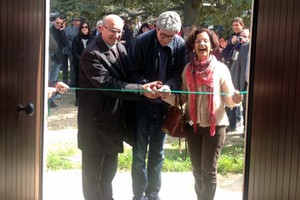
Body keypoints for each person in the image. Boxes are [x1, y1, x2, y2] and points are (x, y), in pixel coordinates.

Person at [77, 14, 159, 200]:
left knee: (108, 174)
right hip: (95, 124)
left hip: (114, 122)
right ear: (101, 29)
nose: (116, 35)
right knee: (93, 176)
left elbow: (130, 74)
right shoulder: (91, 54)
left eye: (119, 31)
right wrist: (141, 90)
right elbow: (108, 84)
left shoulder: (120, 47)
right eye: (112, 31)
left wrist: (148, 84)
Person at [158, 27, 243, 200]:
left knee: (208, 171)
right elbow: (181, 99)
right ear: (193, 46)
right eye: (198, 41)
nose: (202, 44)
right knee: (197, 171)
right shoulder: (187, 70)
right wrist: (166, 95)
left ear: (211, 46)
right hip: (193, 126)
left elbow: (229, 98)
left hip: (216, 126)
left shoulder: (221, 68)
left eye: (205, 41)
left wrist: (236, 99)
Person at [126, 11, 187, 200]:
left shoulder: (179, 44)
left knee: (158, 153)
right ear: (156, 27)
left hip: (163, 104)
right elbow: (130, 71)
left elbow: (179, 73)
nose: (168, 40)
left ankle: (153, 193)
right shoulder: (141, 41)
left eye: (172, 36)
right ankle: (138, 195)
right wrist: (145, 86)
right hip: (141, 104)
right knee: (139, 153)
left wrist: (169, 86)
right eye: (164, 35)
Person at [221, 17, 245, 133]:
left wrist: (240, 43)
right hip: (229, 69)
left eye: (237, 25)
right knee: (228, 93)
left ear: (242, 25)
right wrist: (230, 44)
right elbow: (226, 55)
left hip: (239, 70)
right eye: (234, 25)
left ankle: (235, 122)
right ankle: (231, 122)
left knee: (236, 94)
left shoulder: (245, 36)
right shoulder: (231, 37)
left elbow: (242, 54)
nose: (235, 27)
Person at [72, 21, 95, 106]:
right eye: (82, 27)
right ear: (80, 29)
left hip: (89, 64)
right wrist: (81, 59)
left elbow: (95, 51)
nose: (84, 29)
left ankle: (88, 99)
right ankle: (78, 99)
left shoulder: (93, 38)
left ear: (88, 29)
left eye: (86, 27)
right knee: (78, 81)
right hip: (78, 64)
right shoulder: (76, 38)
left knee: (89, 81)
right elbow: (74, 52)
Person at [49, 15, 69, 107]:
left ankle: (51, 101)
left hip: (57, 59)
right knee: (47, 79)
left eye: (61, 24)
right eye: (57, 23)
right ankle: (46, 100)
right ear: (54, 22)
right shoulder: (49, 30)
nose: (59, 25)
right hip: (49, 58)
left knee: (55, 80)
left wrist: (62, 31)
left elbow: (66, 43)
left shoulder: (61, 31)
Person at [63, 16, 81, 86]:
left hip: (75, 51)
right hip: (66, 50)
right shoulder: (68, 29)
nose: (76, 22)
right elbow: (66, 39)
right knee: (65, 66)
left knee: (73, 66)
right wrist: (73, 45)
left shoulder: (81, 29)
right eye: (75, 21)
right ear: (72, 22)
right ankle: (65, 80)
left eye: (78, 21)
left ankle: (73, 81)